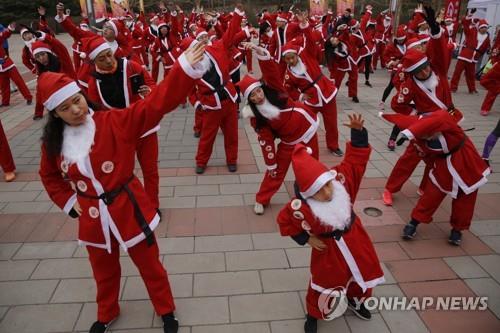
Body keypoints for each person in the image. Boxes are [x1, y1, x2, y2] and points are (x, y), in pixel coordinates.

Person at [38, 42, 207, 333]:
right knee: (103, 272)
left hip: (129, 206)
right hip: (92, 217)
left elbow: (155, 105)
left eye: (77, 100)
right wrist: (68, 201)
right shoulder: (53, 144)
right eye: (65, 108)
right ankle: (106, 313)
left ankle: (166, 310)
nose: (76, 110)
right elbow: (49, 176)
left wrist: (183, 70)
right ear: (55, 114)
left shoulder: (113, 121)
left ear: (84, 96)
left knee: (150, 265)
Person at [277, 114, 384, 333]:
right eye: (318, 191)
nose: (327, 193)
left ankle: (356, 300)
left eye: (327, 185)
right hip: (327, 250)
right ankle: (313, 313)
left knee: (360, 272)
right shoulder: (300, 208)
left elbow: (355, 162)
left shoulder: (340, 183)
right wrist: (306, 238)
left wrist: (358, 134)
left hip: (355, 239)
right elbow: (285, 220)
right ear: (307, 195)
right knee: (324, 282)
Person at [382, 110, 490, 245]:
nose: (427, 136)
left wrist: (418, 129)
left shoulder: (447, 124)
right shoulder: (420, 139)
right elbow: (426, 155)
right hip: (442, 168)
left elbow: (441, 116)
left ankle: (457, 229)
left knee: (465, 201)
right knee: (430, 196)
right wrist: (412, 135)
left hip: (466, 163)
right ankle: (414, 222)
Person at [238, 42, 320, 215]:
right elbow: (265, 141)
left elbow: (271, 72)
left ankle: (312, 193)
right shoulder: (257, 118)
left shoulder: (276, 91)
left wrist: (261, 53)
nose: (258, 96)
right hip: (288, 141)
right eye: (253, 96)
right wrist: (270, 163)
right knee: (276, 171)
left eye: (258, 92)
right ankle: (262, 198)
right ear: (250, 101)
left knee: (311, 166)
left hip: (307, 129)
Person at [84, 35, 161, 212]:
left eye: (109, 55)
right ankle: (130, 206)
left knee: (150, 171)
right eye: (102, 59)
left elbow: (152, 84)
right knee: (124, 174)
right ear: (94, 61)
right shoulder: (94, 82)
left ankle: (152, 206)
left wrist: (149, 91)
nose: (109, 61)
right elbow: (96, 112)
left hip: (144, 128)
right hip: (120, 133)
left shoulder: (131, 66)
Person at [281, 12, 342, 156]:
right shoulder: (289, 74)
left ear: (296, 54)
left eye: (292, 57)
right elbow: (288, 88)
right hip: (311, 99)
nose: (290, 61)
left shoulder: (307, 54)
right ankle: (306, 147)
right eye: (287, 59)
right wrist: (300, 96)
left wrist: (304, 25)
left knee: (331, 123)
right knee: (305, 123)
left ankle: (333, 145)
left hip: (326, 91)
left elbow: (309, 38)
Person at [450, 11, 490, 94]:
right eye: (483, 27)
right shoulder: (472, 32)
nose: (484, 29)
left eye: (486, 27)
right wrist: (469, 16)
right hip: (465, 55)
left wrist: (479, 55)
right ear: (479, 27)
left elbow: (485, 48)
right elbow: (465, 24)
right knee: (457, 72)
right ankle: (453, 87)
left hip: (474, 58)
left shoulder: (487, 38)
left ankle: (472, 89)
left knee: (471, 75)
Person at [0, 23, 33, 107]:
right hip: (0, 68)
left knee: (18, 81)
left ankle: (28, 97)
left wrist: (10, 29)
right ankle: (5, 102)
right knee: (3, 85)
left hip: (7, 64)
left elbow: (4, 35)